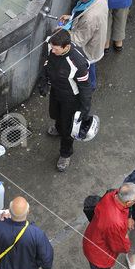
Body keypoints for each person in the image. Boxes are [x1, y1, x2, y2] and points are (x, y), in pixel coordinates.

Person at [36, 28, 93, 172]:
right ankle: (58, 127)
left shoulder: (78, 63)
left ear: (66, 47)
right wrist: (43, 79)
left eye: (55, 49)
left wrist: (84, 110)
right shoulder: (54, 49)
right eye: (52, 48)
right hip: (56, 91)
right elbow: (48, 63)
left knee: (68, 129)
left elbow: (86, 88)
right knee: (55, 113)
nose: (52, 51)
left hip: (71, 99)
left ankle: (65, 153)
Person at [59, 0, 108, 89]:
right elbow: (82, 14)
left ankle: (89, 87)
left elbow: (78, 40)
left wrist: (62, 31)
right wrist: (71, 18)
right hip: (97, 38)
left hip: (89, 50)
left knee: (87, 68)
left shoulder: (89, 18)